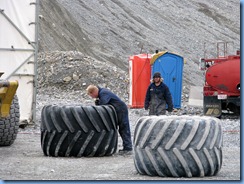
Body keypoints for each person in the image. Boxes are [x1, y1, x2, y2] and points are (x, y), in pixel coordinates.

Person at [86, 85, 133, 155]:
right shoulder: (102, 93)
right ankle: (127, 147)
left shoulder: (103, 93)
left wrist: (98, 103)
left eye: (91, 95)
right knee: (121, 128)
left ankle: (128, 148)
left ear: (94, 92)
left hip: (121, 109)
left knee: (124, 127)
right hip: (118, 110)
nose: (92, 97)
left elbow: (103, 104)